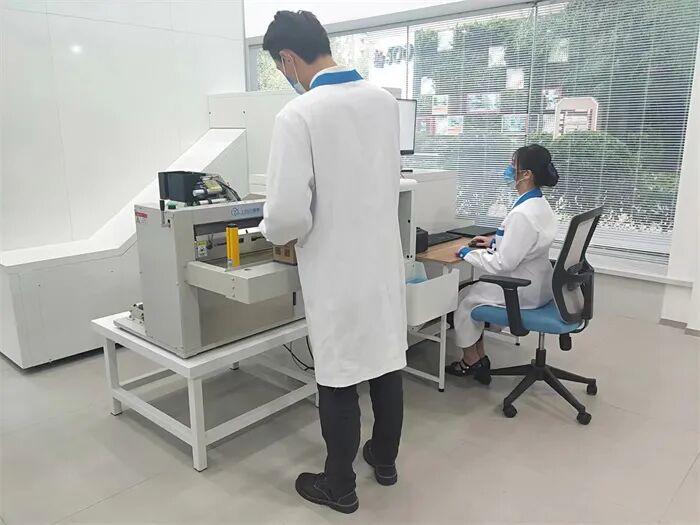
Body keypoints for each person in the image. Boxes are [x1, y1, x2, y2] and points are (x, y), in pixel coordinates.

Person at [258, 11, 407, 514]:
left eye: (281, 67)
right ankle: (384, 460)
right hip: (382, 263)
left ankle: (339, 486)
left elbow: (284, 216)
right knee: (385, 360)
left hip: (336, 271)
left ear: (287, 59)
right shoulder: (383, 102)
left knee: (339, 374)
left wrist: (274, 234)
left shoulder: (298, 115)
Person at [446, 144, 559, 383]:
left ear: (526, 174)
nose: (508, 170)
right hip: (540, 283)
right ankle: (478, 357)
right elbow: (526, 242)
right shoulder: (539, 204)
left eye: (512, 165)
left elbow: (502, 264)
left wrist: (467, 252)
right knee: (471, 292)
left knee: (464, 300)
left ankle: (471, 360)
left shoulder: (522, 214)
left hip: (521, 287)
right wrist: (495, 241)